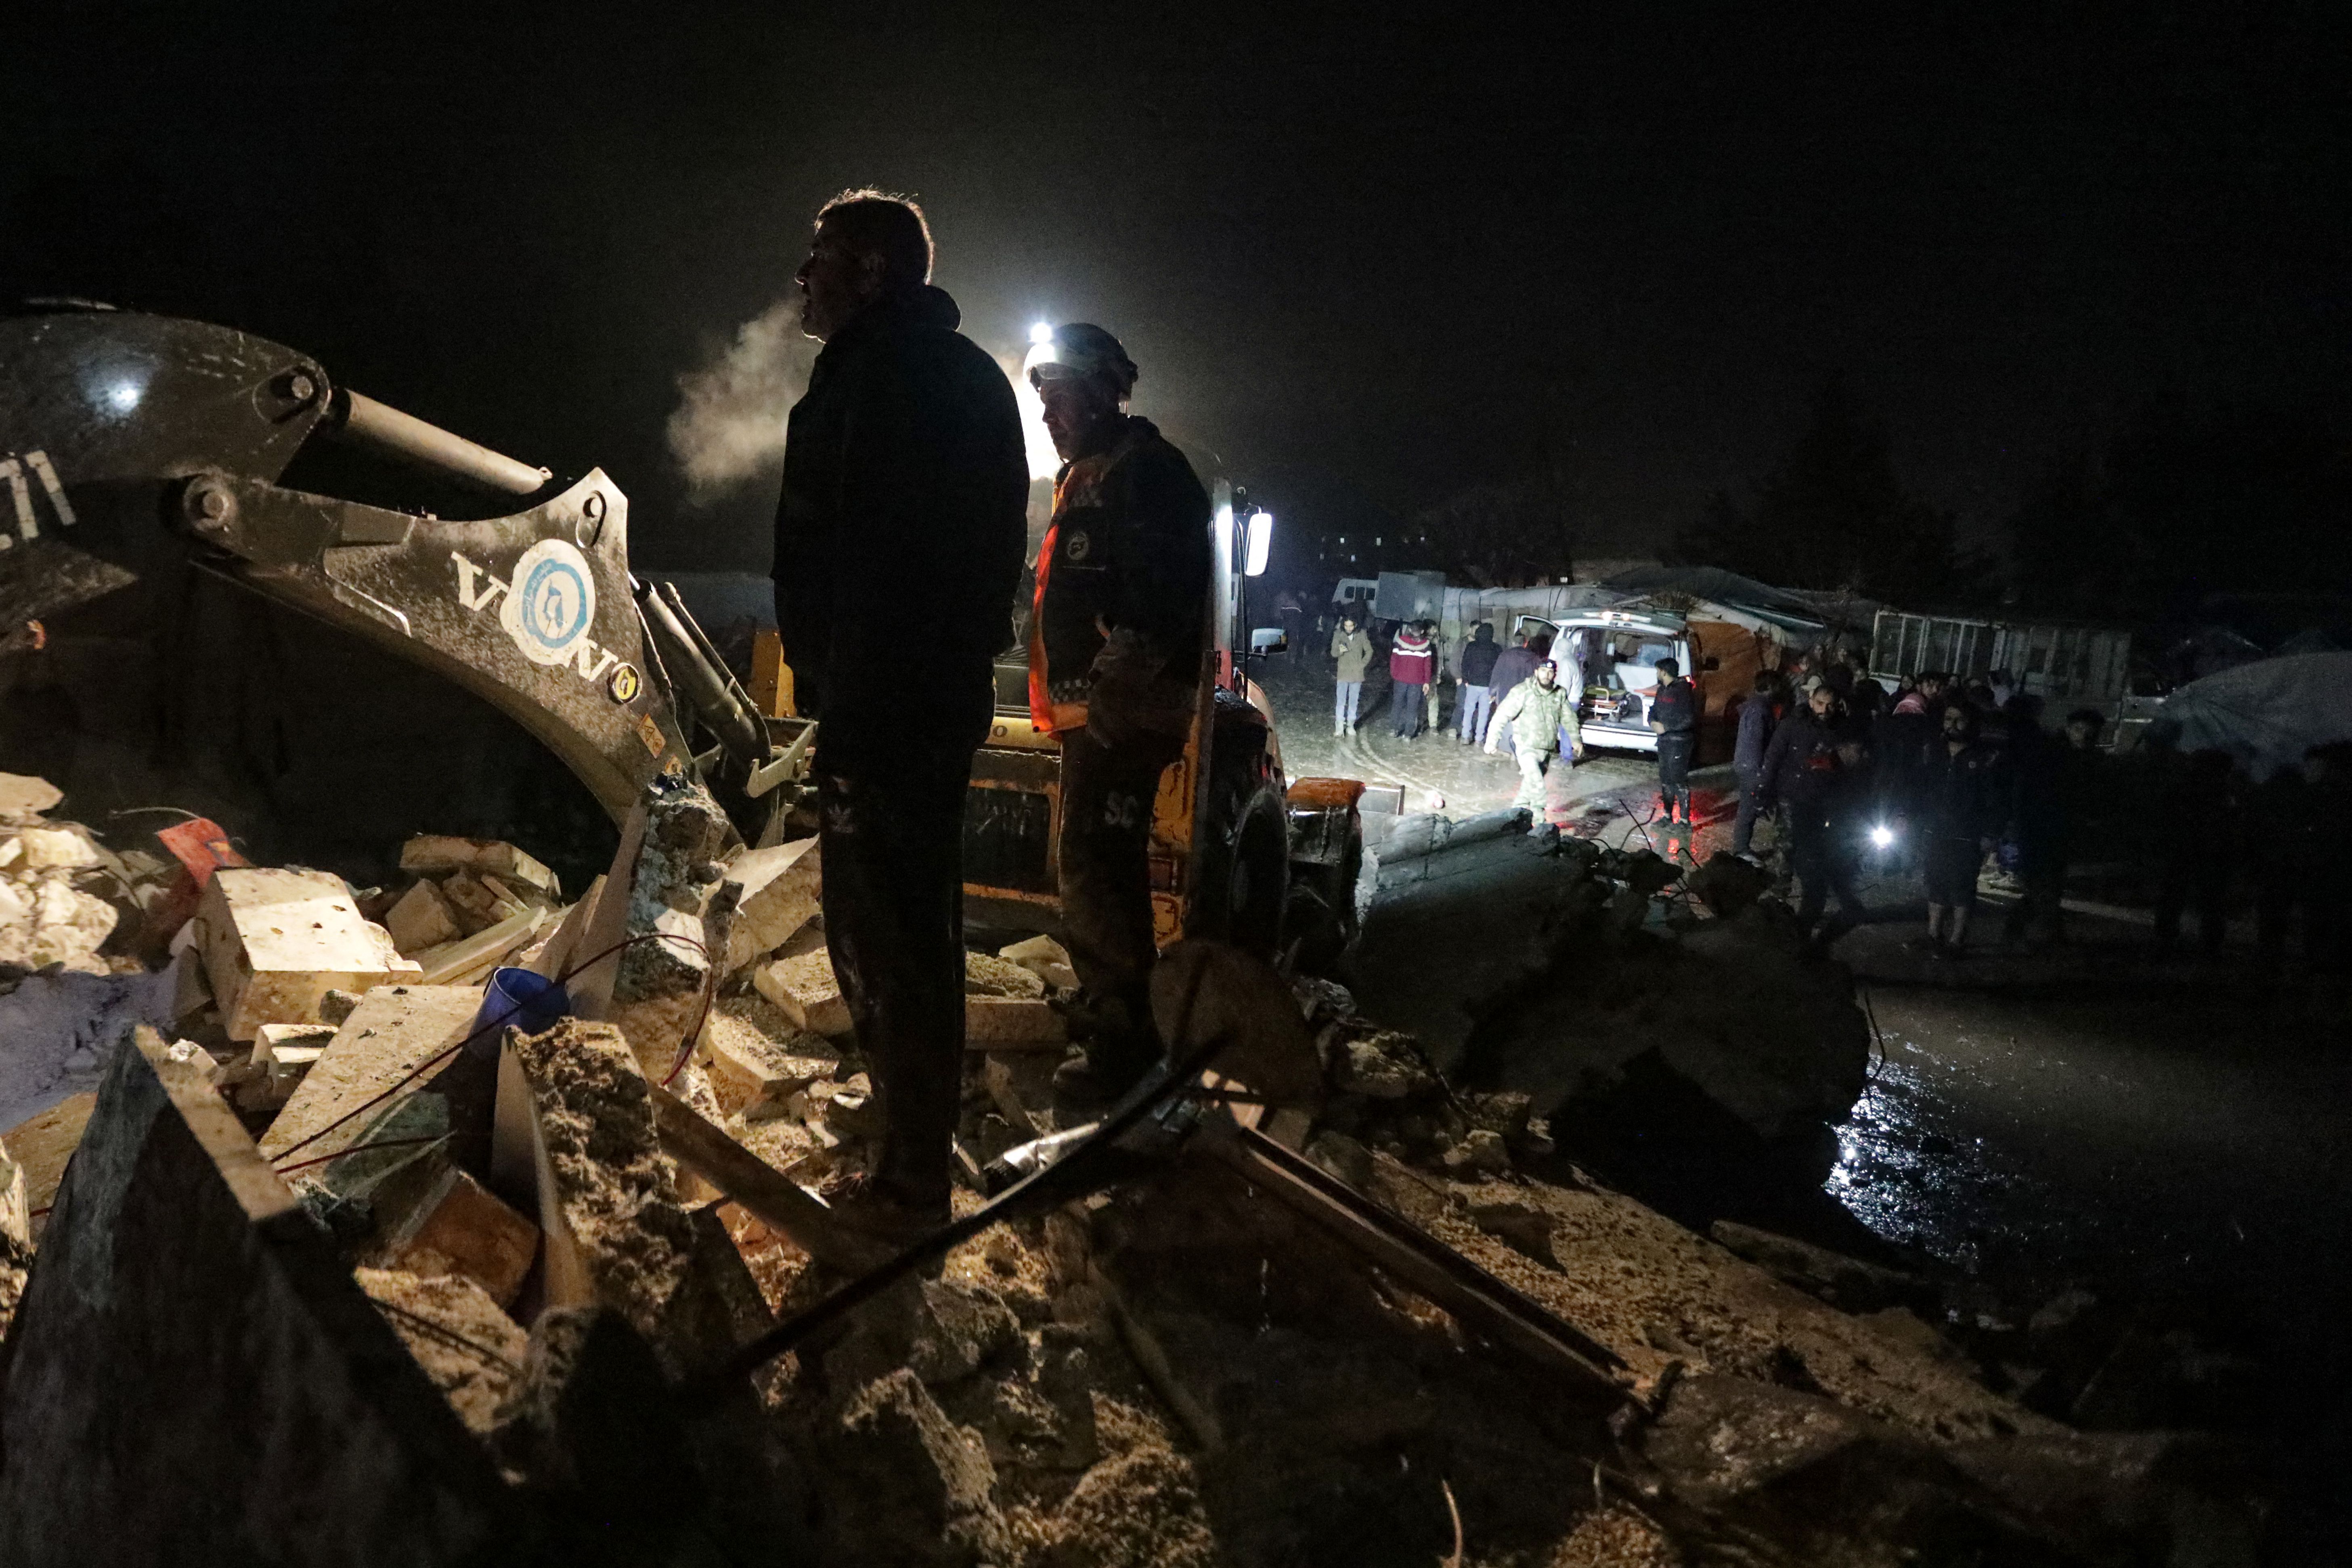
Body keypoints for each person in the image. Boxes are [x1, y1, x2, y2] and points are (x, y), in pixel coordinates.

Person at [774, 189, 1028, 1231]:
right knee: (903, 922)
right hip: (919, 698)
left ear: (872, 269)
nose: (805, 276)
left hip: (884, 704)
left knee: (889, 928)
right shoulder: (963, 378)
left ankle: (914, 1177)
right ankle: (906, 1136)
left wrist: (850, 701)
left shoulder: (882, 380)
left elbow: (870, 558)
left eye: (820, 256)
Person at [1024, 322, 1214, 1103]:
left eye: (1061, 396)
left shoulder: (1149, 474)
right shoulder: (1096, 477)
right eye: (1043, 401)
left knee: (1099, 873)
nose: (1049, 415)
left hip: (1120, 715)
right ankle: (1118, 1027)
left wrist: (1115, 683)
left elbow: (1162, 596)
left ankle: (1121, 1052)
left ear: (1105, 391)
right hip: (1095, 713)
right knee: (1094, 869)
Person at [1757, 683, 1869, 943]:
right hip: (1792, 796)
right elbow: (1774, 757)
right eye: (1820, 704)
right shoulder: (1793, 725)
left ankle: (1813, 907)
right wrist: (1764, 791)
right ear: (1811, 701)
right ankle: (1780, 902)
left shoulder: (1842, 729)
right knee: (1785, 848)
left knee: (1815, 856)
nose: (1825, 710)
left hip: (1822, 801)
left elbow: (1855, 763)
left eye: (1830, 705)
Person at [1916, 702, 2006, 955]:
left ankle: (1957, 941)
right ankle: (1933, 935)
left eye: (1959, 719)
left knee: (1962, 885)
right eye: (1948, 719)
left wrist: (1991, 834)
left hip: (1968, 832)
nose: (1952, 725)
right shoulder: (1934, 752)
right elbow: (1922, 789)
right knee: (1935, 879)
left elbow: (1995, 800)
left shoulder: (1985, 759)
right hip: (1936, 828)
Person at [2152, 747, 2237, 956]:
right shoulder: (2221, 791)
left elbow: (2165, 819)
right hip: (2207, 853)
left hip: (2186, 851)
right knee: (2210, 900)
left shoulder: (2183, 787)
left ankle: (2168, 939)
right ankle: (2209, 943)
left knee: (2176, 896)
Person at [1487, 660, 1583, 832]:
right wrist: (1492, 740)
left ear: (1555, 675)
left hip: (1546, 749)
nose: (1547, 675)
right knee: (1538, 785)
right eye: (1543, 671)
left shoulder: (1559, 693)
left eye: (1551, 672)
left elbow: (1568, 717)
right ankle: (1539, 824)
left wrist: (1576, 740)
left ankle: (1514, 816)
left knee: (1529, 787)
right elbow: (1501, 715)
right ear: (1536, 672)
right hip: (1525, 747)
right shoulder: (1523, 691)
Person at [1731, 670, 1779, 857]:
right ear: (1770, 687)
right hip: (1752, 767)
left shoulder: (1755, 707)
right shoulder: (1759, 709)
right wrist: (1760, 771)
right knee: (1749, 809)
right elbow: (1755, 743)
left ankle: (1742, 848)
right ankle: (1741, 850)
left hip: (1747, 765)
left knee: (1750, 807)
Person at [1649, 656, 1699, 826]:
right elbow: (1654, 710)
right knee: (1666, 779)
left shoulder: (1684, 691)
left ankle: (1685, 821)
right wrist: (1653, 722)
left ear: (1664, 672)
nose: (1657, 673)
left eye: (1658, 671)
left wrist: (1667, 727)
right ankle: (1667, 815)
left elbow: (1690, 719)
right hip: (1664, 742)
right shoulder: (1662, 689)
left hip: (1680, 743)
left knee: (1679, 779)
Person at [1480, 631, 1540, 752]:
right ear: (1525, 643)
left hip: (1506, 693)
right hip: (1526, 695)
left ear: (1513, 643)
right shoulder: (1533, 658)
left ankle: (1506, 747)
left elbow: (1497, 674)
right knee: (1521, 721)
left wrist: (1492, 693)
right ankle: (1518, 749)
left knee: (1505, 719)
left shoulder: (1505, 655)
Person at [1455, 622, 1501, 746]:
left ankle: (1465, 736)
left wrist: (1466, 680)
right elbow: (1498, 669)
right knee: (1484, 712)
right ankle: (1479, 739)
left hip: (1472, 684)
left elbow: (1465, 664)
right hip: (1488, 686)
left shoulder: (1472, 646)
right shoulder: (1497, 648)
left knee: (1469, 710)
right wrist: (1495, 687)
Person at [1388, 620, 1435, 739]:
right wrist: (1426, 682)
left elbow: (1394, 660)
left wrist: (1394, 675)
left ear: (1410, 630)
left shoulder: (1400, 642)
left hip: (1400, 680)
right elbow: (1428, 665)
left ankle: (1394, 729)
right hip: (1417, 682)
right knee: (1412, 707)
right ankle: (1408, 734)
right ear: (1423, 631)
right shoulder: (1426, 646)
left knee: (1398, 704)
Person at [1329, 614, 1373, 736]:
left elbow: (1369, 651)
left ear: (1355, 625)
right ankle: (1339, 725)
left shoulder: (1362, 634)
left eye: (1351, 626)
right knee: (1341, 701)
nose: (1349, 629)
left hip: (1357, 674)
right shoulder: (1338, 634)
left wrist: (1362, 664)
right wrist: (1340, 651)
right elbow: (1333, 653)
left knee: (1354, 701)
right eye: (1346, 626)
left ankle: (1350, 725)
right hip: (1343, 672)